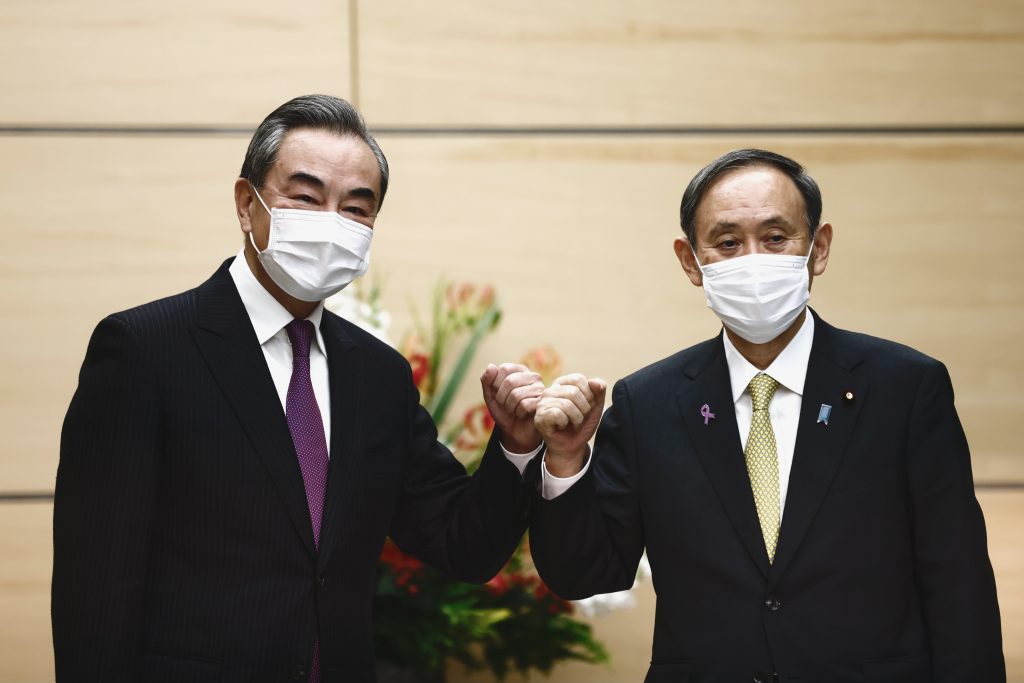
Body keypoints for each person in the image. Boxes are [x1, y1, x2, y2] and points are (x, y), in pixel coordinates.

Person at [52, 94, 544, 682]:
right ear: (246, 203)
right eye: (306, 197)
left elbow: (463, 545)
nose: (330, 222)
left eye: (356, 208)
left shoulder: (379, 376)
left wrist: (515, 443)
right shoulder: (144, 349)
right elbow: (96, 583)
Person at [529, 149, 1005, 683]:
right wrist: (566, 461)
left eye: (776, 238)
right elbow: (585, 573)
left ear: (817, 248)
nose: (753, 259)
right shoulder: (648, 404)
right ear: (691, 261)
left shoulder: (904, 388)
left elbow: (958, 583)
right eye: (728, 242)